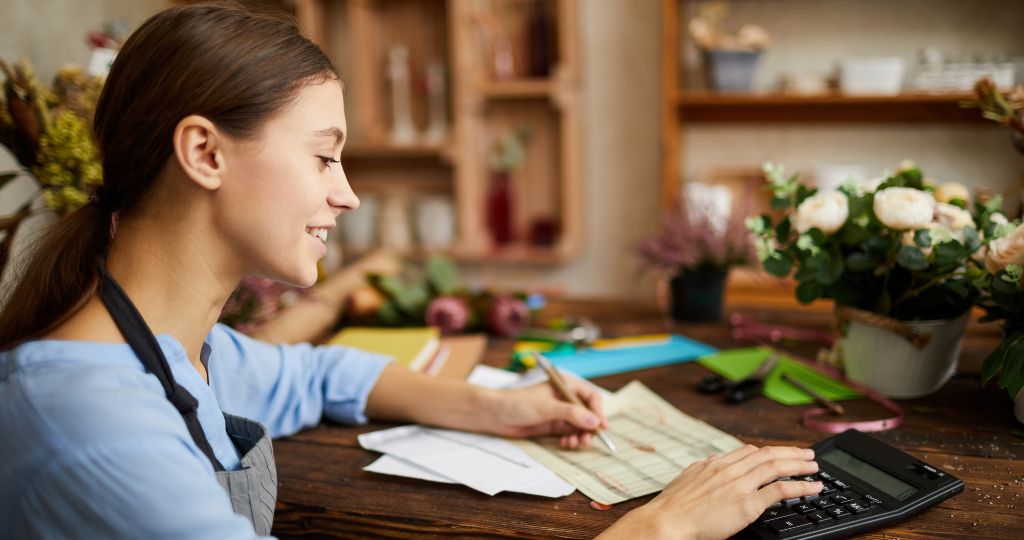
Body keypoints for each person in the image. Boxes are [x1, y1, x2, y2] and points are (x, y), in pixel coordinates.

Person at [0, 3, 822, 538]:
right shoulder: (95, 427)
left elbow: (313, 375)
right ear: (204, 152)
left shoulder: (175, 347)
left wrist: (502, 410)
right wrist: (663, 528)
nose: (348, 194)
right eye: (324, 157)